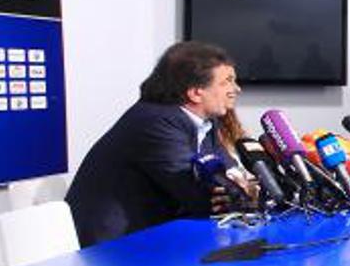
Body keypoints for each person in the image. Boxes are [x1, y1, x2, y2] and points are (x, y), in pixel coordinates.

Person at [65, 41, 247, 247]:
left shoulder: (205, 121)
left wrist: (238, 185)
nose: (236, 89)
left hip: (157, 235)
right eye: (227, 82)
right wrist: (236, 190)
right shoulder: (155, 122)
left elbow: (228, 171)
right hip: (112, 247)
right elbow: (199, 197)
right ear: (195, 92)